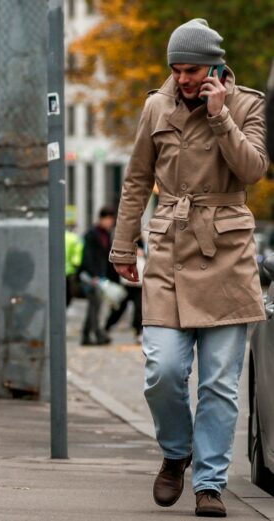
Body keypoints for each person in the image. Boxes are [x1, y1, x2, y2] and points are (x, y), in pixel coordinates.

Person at [110, 19, 268, 517]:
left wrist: (222, 118)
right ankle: (176, 452)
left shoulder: (250, 104)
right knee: (163, 370)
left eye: (193, 69)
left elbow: (254, 171)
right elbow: (137, 179)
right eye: (176, 70)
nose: (183, 79)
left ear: (216, 65)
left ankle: (210, 485)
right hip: (169, 251)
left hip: (227, 251)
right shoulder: (156, 106)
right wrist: (121, 246)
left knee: (220, 382)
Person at [80, 206, 117, 346]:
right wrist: (93, 274)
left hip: (101, 276)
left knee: (96, 305)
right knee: (94, 305)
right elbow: (87, 256)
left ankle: (89, 334)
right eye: (109, 219)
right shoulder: (91, 234)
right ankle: (95, 334)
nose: (110, 223)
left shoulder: (107, 235)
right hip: (90, 277)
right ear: (102, 218)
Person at [105, 241, 144, 340]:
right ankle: (107, 327)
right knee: (119, 307)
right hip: (127, 283)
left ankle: (138, 331)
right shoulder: (127, 241)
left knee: (139, 309)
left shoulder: (144, 244)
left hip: (139, 284)